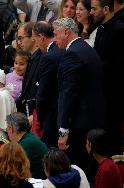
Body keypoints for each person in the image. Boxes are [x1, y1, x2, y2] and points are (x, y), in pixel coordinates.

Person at [53, 18, 105, 172]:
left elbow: (68, 93)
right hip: (93, 119)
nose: (54, 40)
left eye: (56, 35)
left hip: (79, 124)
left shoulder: (72, 54)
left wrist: (63, 130)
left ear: (66, 32)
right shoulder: (86, 48)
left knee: (77, 170)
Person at [92, 0, 124, 156]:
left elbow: (119, 64)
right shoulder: (100, 30)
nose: (91, 12)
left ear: (105, 9)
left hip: (114, 94)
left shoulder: (119, 29)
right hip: (101, 93)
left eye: (94, 9)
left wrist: (95, 65)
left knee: (113, 134)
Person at [32, 21, 65, 147]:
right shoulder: (61, 50)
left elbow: (43, 92)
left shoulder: (49, 57)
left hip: (51, 116)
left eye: (35, 39)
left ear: (41, 37)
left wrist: (39, 118)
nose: (35, 43)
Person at [6, 112, 48, 179]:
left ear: (11, 129)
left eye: (7, 128)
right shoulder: (28, 137)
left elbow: (12, 169)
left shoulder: (26, 144)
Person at [15, 22, 41, 125]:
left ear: (33, 38)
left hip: (36, 117)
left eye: (21, 38)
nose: (18, 42)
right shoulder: (32, 57)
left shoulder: (42, 59)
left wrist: (35, 115)